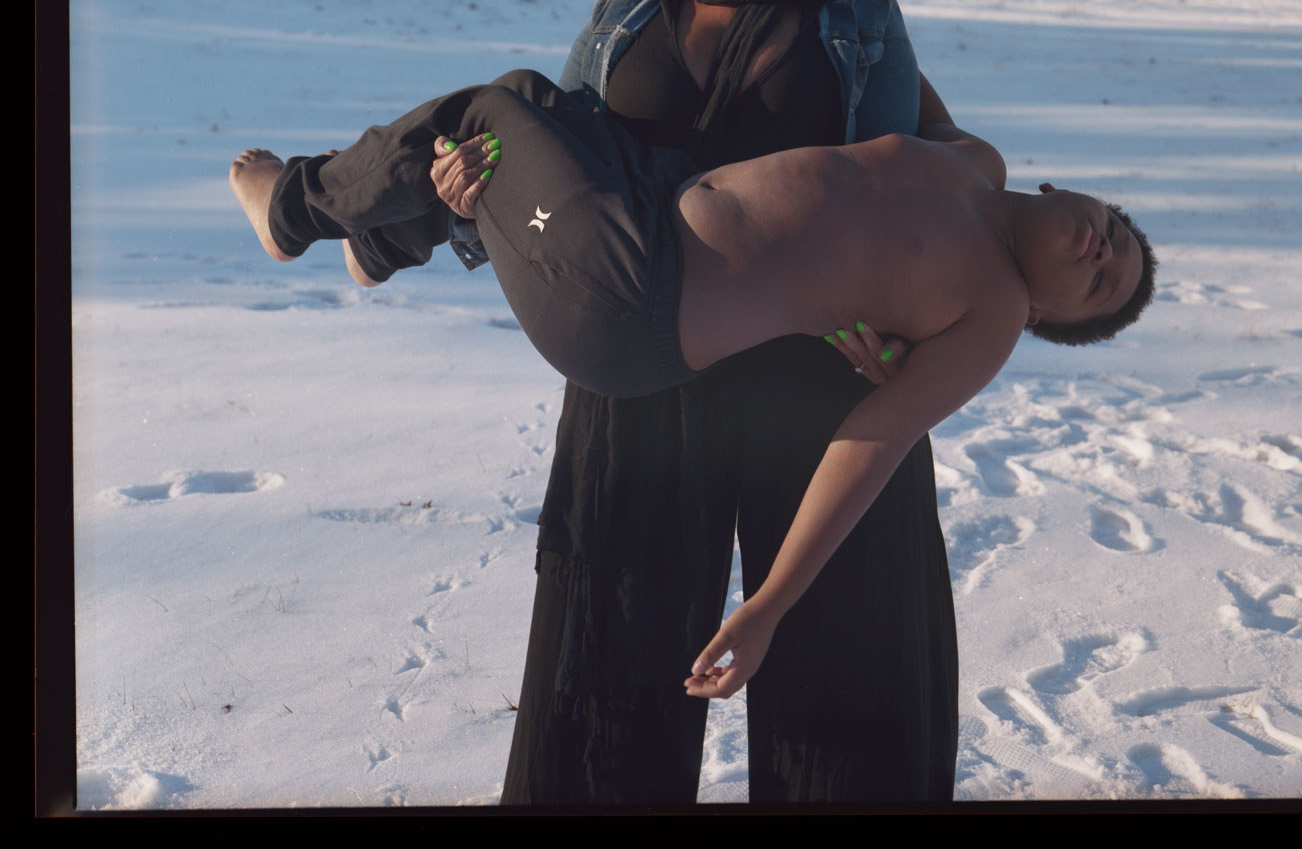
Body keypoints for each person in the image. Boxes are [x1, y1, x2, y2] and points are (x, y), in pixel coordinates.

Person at [233, 0, 1028, 803]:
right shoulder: (626, 13)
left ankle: (359, 230)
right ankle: (383, 226)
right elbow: (558, 176)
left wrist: (911, 325)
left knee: (854, 674)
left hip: (817, 376)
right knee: (605, 666)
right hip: (647, 381)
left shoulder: (860, 17)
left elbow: (906, 177)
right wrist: (466, 200)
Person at [230, 72, 1155, 699]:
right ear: (1062, 188)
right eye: (1115, 231)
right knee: (529, 101)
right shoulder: (974, 162)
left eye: (1101, 284)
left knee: (487, 115)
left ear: (1048, 319)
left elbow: (870, 448)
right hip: (628, 224)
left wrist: (766, 606)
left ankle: (293, 209)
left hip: (632, 301)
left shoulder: (989, 314)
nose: (1102, 251)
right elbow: (888, 59)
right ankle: (386, 240)